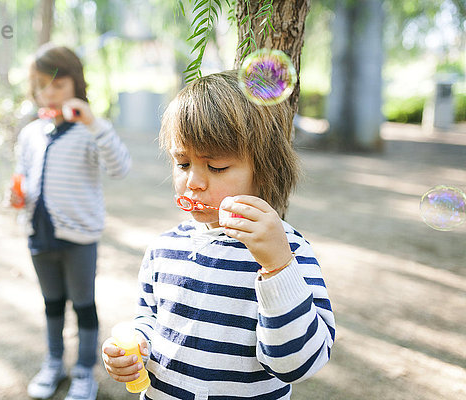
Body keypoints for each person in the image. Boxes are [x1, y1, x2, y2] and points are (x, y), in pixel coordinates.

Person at [101, 70, 335, 399]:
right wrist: (134, 346)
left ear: (266, 169)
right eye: (182, 164)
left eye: (217, 167)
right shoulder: (164, 248)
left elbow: (299, 363)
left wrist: (278, 268)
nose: (193, 182)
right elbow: (150, 318)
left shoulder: (289, 251)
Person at [12, 43, 131, 400]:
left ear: (77, 86)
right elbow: (24, 176)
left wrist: (95, 122)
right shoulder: (31, 133)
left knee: (82, 304)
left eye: (58, 85)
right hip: (39, 234)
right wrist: (14, 197)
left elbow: (119, 168)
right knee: (51, 303)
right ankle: (53, 364)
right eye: (42, 86)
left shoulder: (89, 132)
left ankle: (84, 371)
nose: (49, 93)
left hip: (79, 237)